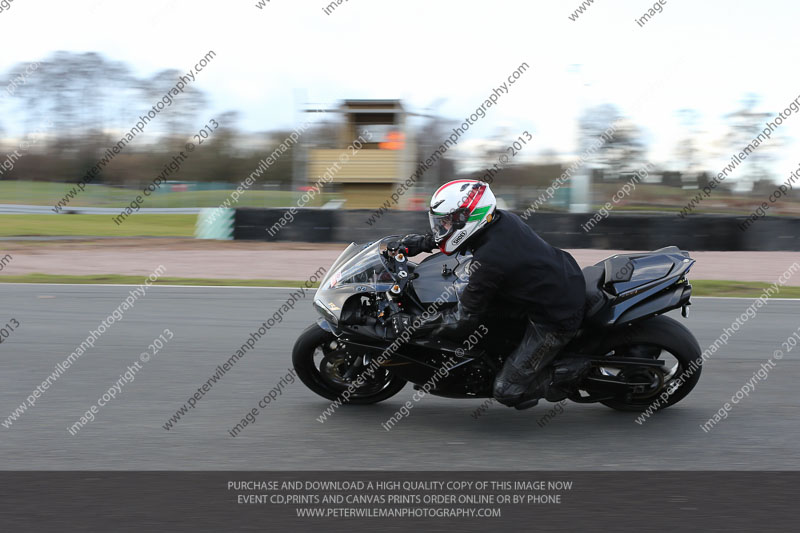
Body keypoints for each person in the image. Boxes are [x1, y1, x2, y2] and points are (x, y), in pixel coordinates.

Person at [392, 179, 586, 409]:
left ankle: (574, 372)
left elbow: (461, 319)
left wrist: (411, 325)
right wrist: (419, 244)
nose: (441, 226)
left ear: (468, 218)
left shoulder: (491, 259)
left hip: (555, 315)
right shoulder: (497, 219)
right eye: (440, 222)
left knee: (507, 390)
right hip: (553, 279)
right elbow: (450, 231)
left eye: (446, 221)